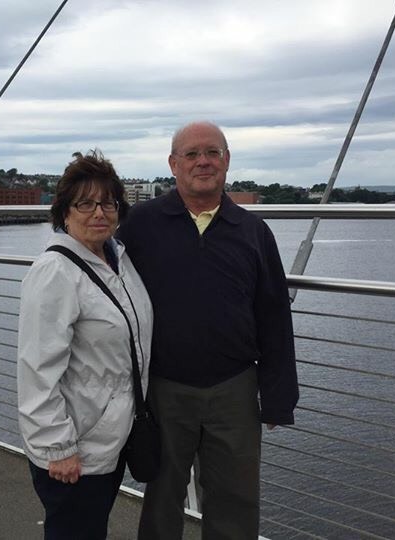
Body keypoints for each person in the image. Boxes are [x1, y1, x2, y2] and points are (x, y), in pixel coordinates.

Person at [117, 121, 298, 540]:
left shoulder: (253, 231)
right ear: (173, 164)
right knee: (161, 497)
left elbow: (273, 316)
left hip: (234, 388)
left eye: (213, 153)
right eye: (192, 154)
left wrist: (278, 397)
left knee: (236, 499)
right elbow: (109, 292)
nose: (203, 162)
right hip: (163, 387)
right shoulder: (141, 225)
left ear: (227, 161)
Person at [18, 150, 153, 540]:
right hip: (74, 445)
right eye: (85, 203)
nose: (99, 212)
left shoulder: (116, 258)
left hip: (108, 437)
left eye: (107, 202)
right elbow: (36, 370)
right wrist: (57, 447)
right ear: (64, 212)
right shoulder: (54, 272)